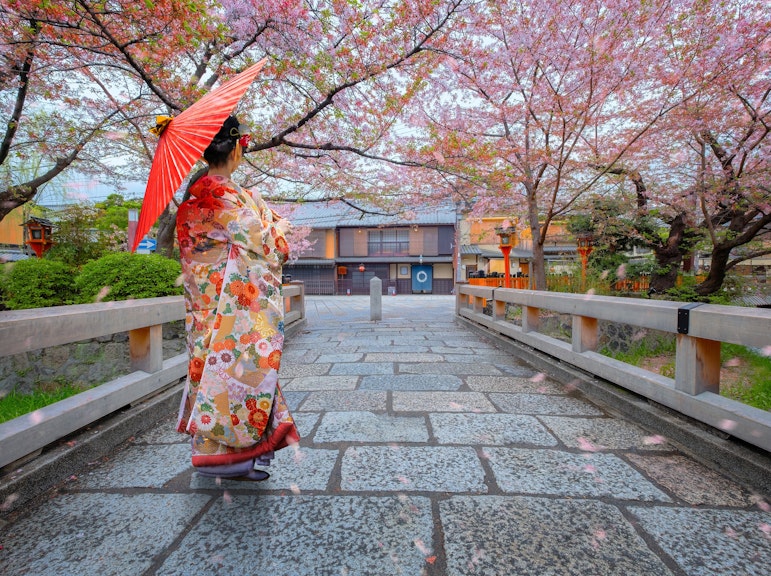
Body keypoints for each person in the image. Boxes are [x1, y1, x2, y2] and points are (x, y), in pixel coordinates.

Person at [175, 115, 299, 481]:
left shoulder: (193, 200)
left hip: (204, 307)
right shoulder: (227, 199)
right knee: (240, 376)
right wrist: (277, 223)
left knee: (210, 375)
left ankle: (213, 453)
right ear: (235, 149)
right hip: (232, 308)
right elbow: (271, 246)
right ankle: (235, 461)